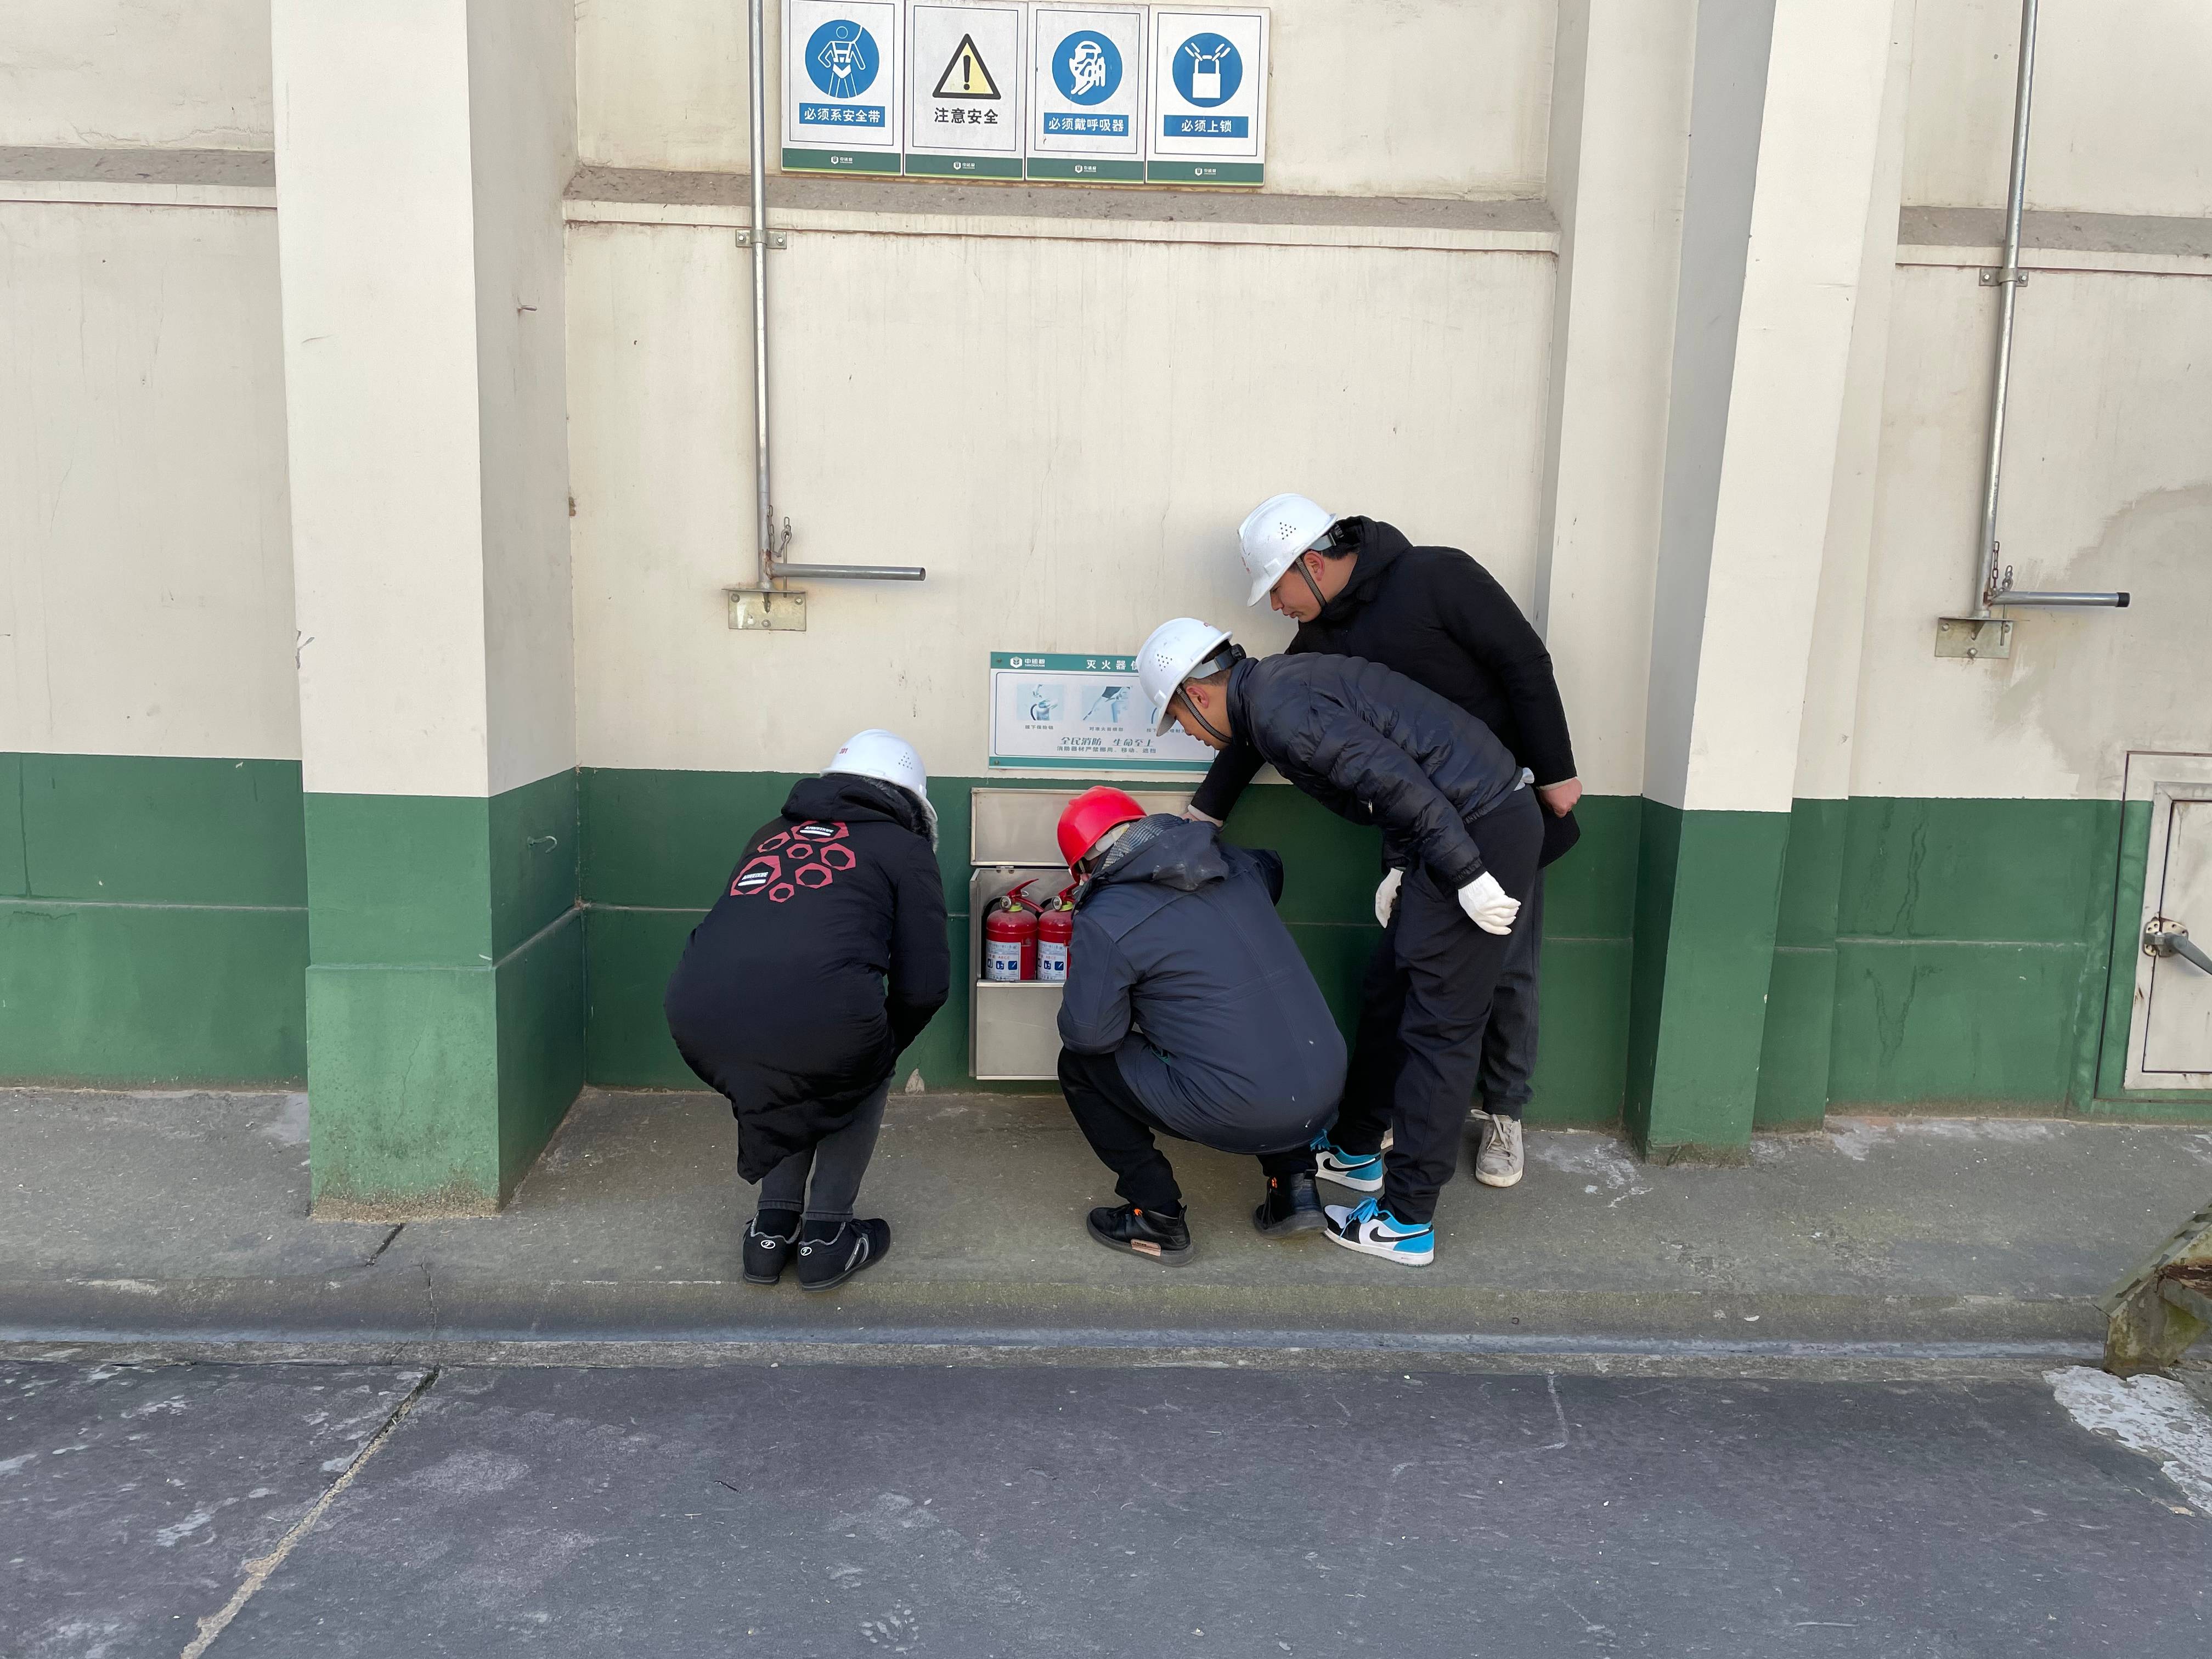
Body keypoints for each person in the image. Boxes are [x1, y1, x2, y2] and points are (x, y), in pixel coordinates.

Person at [1186, 494, 1582, 1190]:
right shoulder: (1321, 638)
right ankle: (1389, 1119)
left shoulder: (1437, 576)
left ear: (1312, 565)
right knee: (1404, 976)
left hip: (1497, 807)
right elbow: (1253, 722)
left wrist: (1555, 771)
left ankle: (1504, 1111)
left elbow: (1524, 662)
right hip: (1414, 825)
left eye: (1276, 587)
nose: (1275, 606)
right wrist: (1204, 814)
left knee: (1505, 967)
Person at [1137, 618, 1542, 1268]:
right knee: (1389, 990)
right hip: (1452, 830)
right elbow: (1395, 771)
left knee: (1441, 1029)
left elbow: (1400, 784)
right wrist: (1405, 866)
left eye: (1179, 720)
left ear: (1198, 693)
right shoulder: (1273, 692)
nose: (1187, 733)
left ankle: (1407, 1220)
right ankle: (1357, 1148)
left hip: (1479, 830)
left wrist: (1467, 875)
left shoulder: (1279, 709)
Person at [663, 730, 948, 1293]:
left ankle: (770, 1233)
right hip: (812, 1018)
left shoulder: (770, 833)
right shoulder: (905, 849)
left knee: (790, 1064)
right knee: (855, 1058)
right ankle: (827, 1236)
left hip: (698, 1012)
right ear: (912, 804)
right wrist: (881, 1047)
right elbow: (924, 988)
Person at [1054, 786, 1347, 1266]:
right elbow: (1272, 868)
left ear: (1086, 867)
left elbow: (1090, 1036)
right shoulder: (1235, 862)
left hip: (1241, 1110)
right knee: (1258, 1024)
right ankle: (1295, 1190)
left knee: (1080, 1066)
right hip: (1326, 1085)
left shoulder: (1107, 917)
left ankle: (1156, 1214)